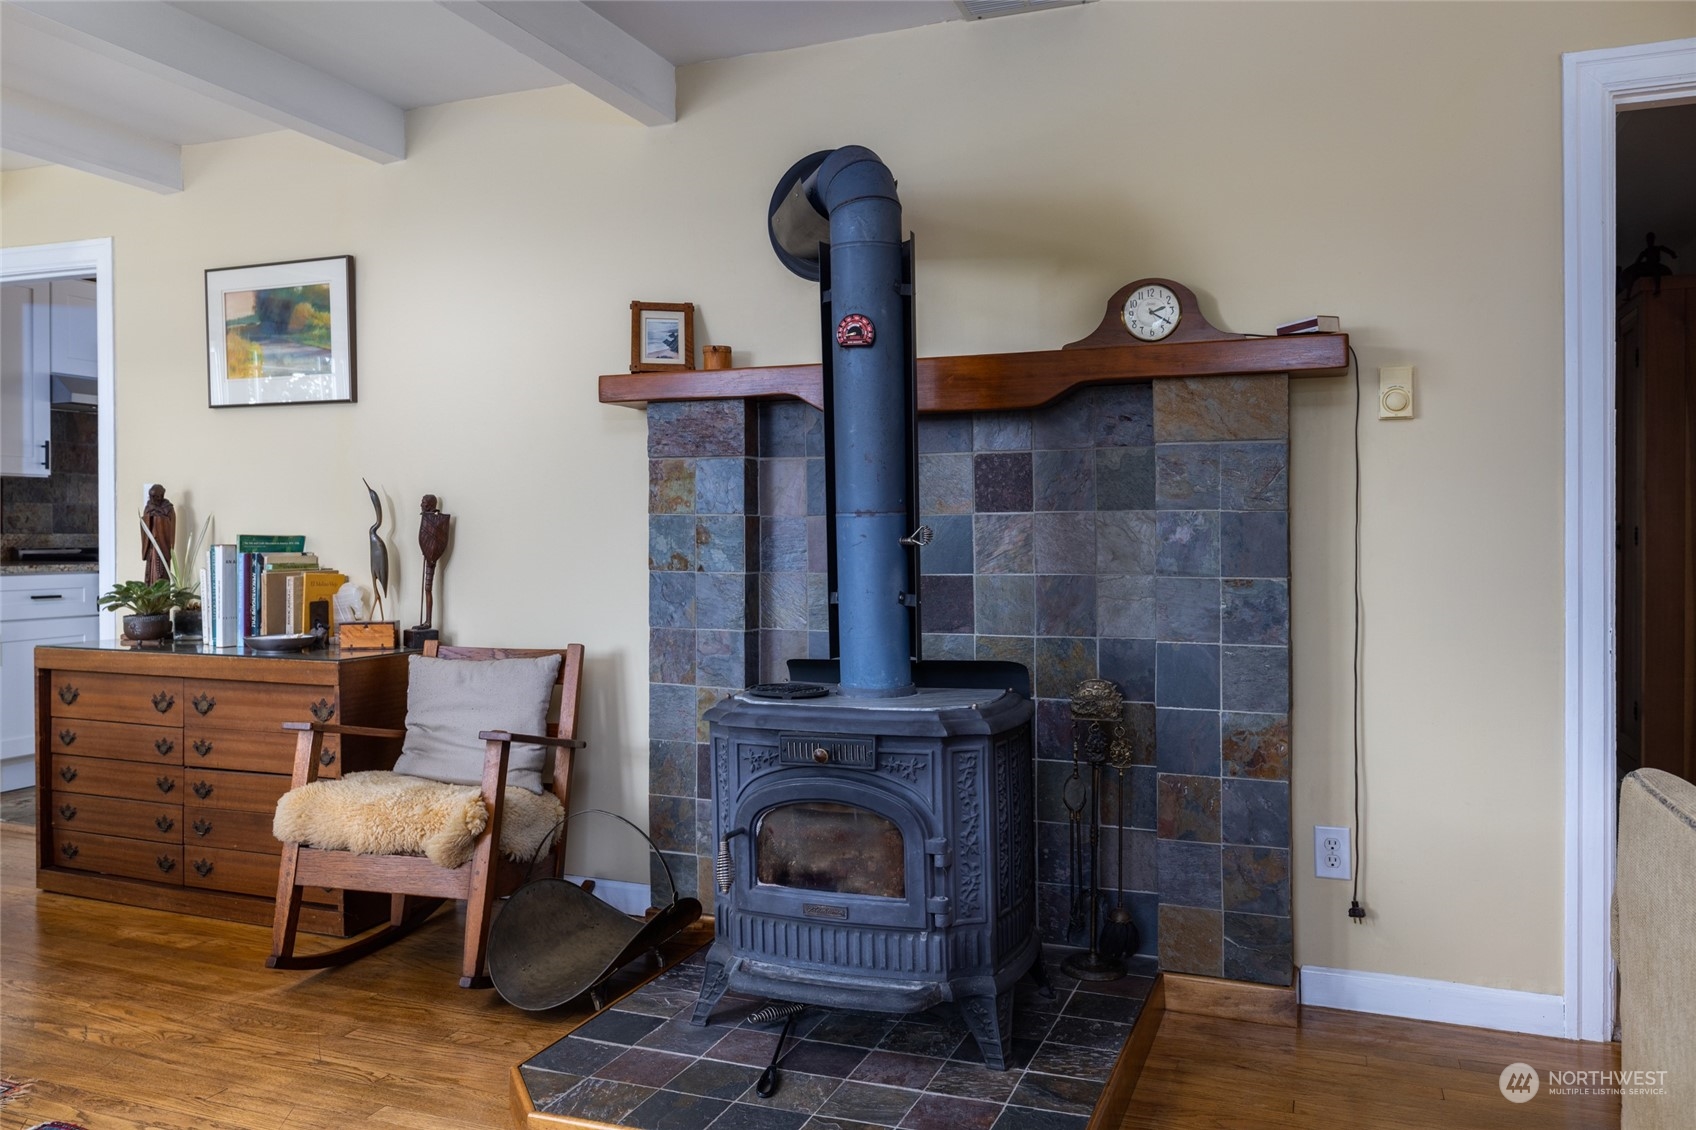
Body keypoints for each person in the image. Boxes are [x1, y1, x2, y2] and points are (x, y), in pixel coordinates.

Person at [416, 494, 451, 630]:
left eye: (423, 502)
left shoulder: (436, 521)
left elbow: (436, 540)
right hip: (428, 555)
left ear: (430, 504)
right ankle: (427, 620)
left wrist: (430, 554)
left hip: (431, 558)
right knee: (427, 589)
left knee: (428, 588)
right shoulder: (429, 519)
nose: (421, 504)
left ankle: (429, 621)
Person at [141, 484, 174, 585]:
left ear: (161, 495)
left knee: (161, 575)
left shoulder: (168, 508)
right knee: (150, 575)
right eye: (150, 496)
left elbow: (170, 526)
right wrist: (149, 517)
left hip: (162, 547)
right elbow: (144, 523)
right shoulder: (148, 507)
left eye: (155, 496)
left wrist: (159, 518)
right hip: (151, 547)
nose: (152, 499)